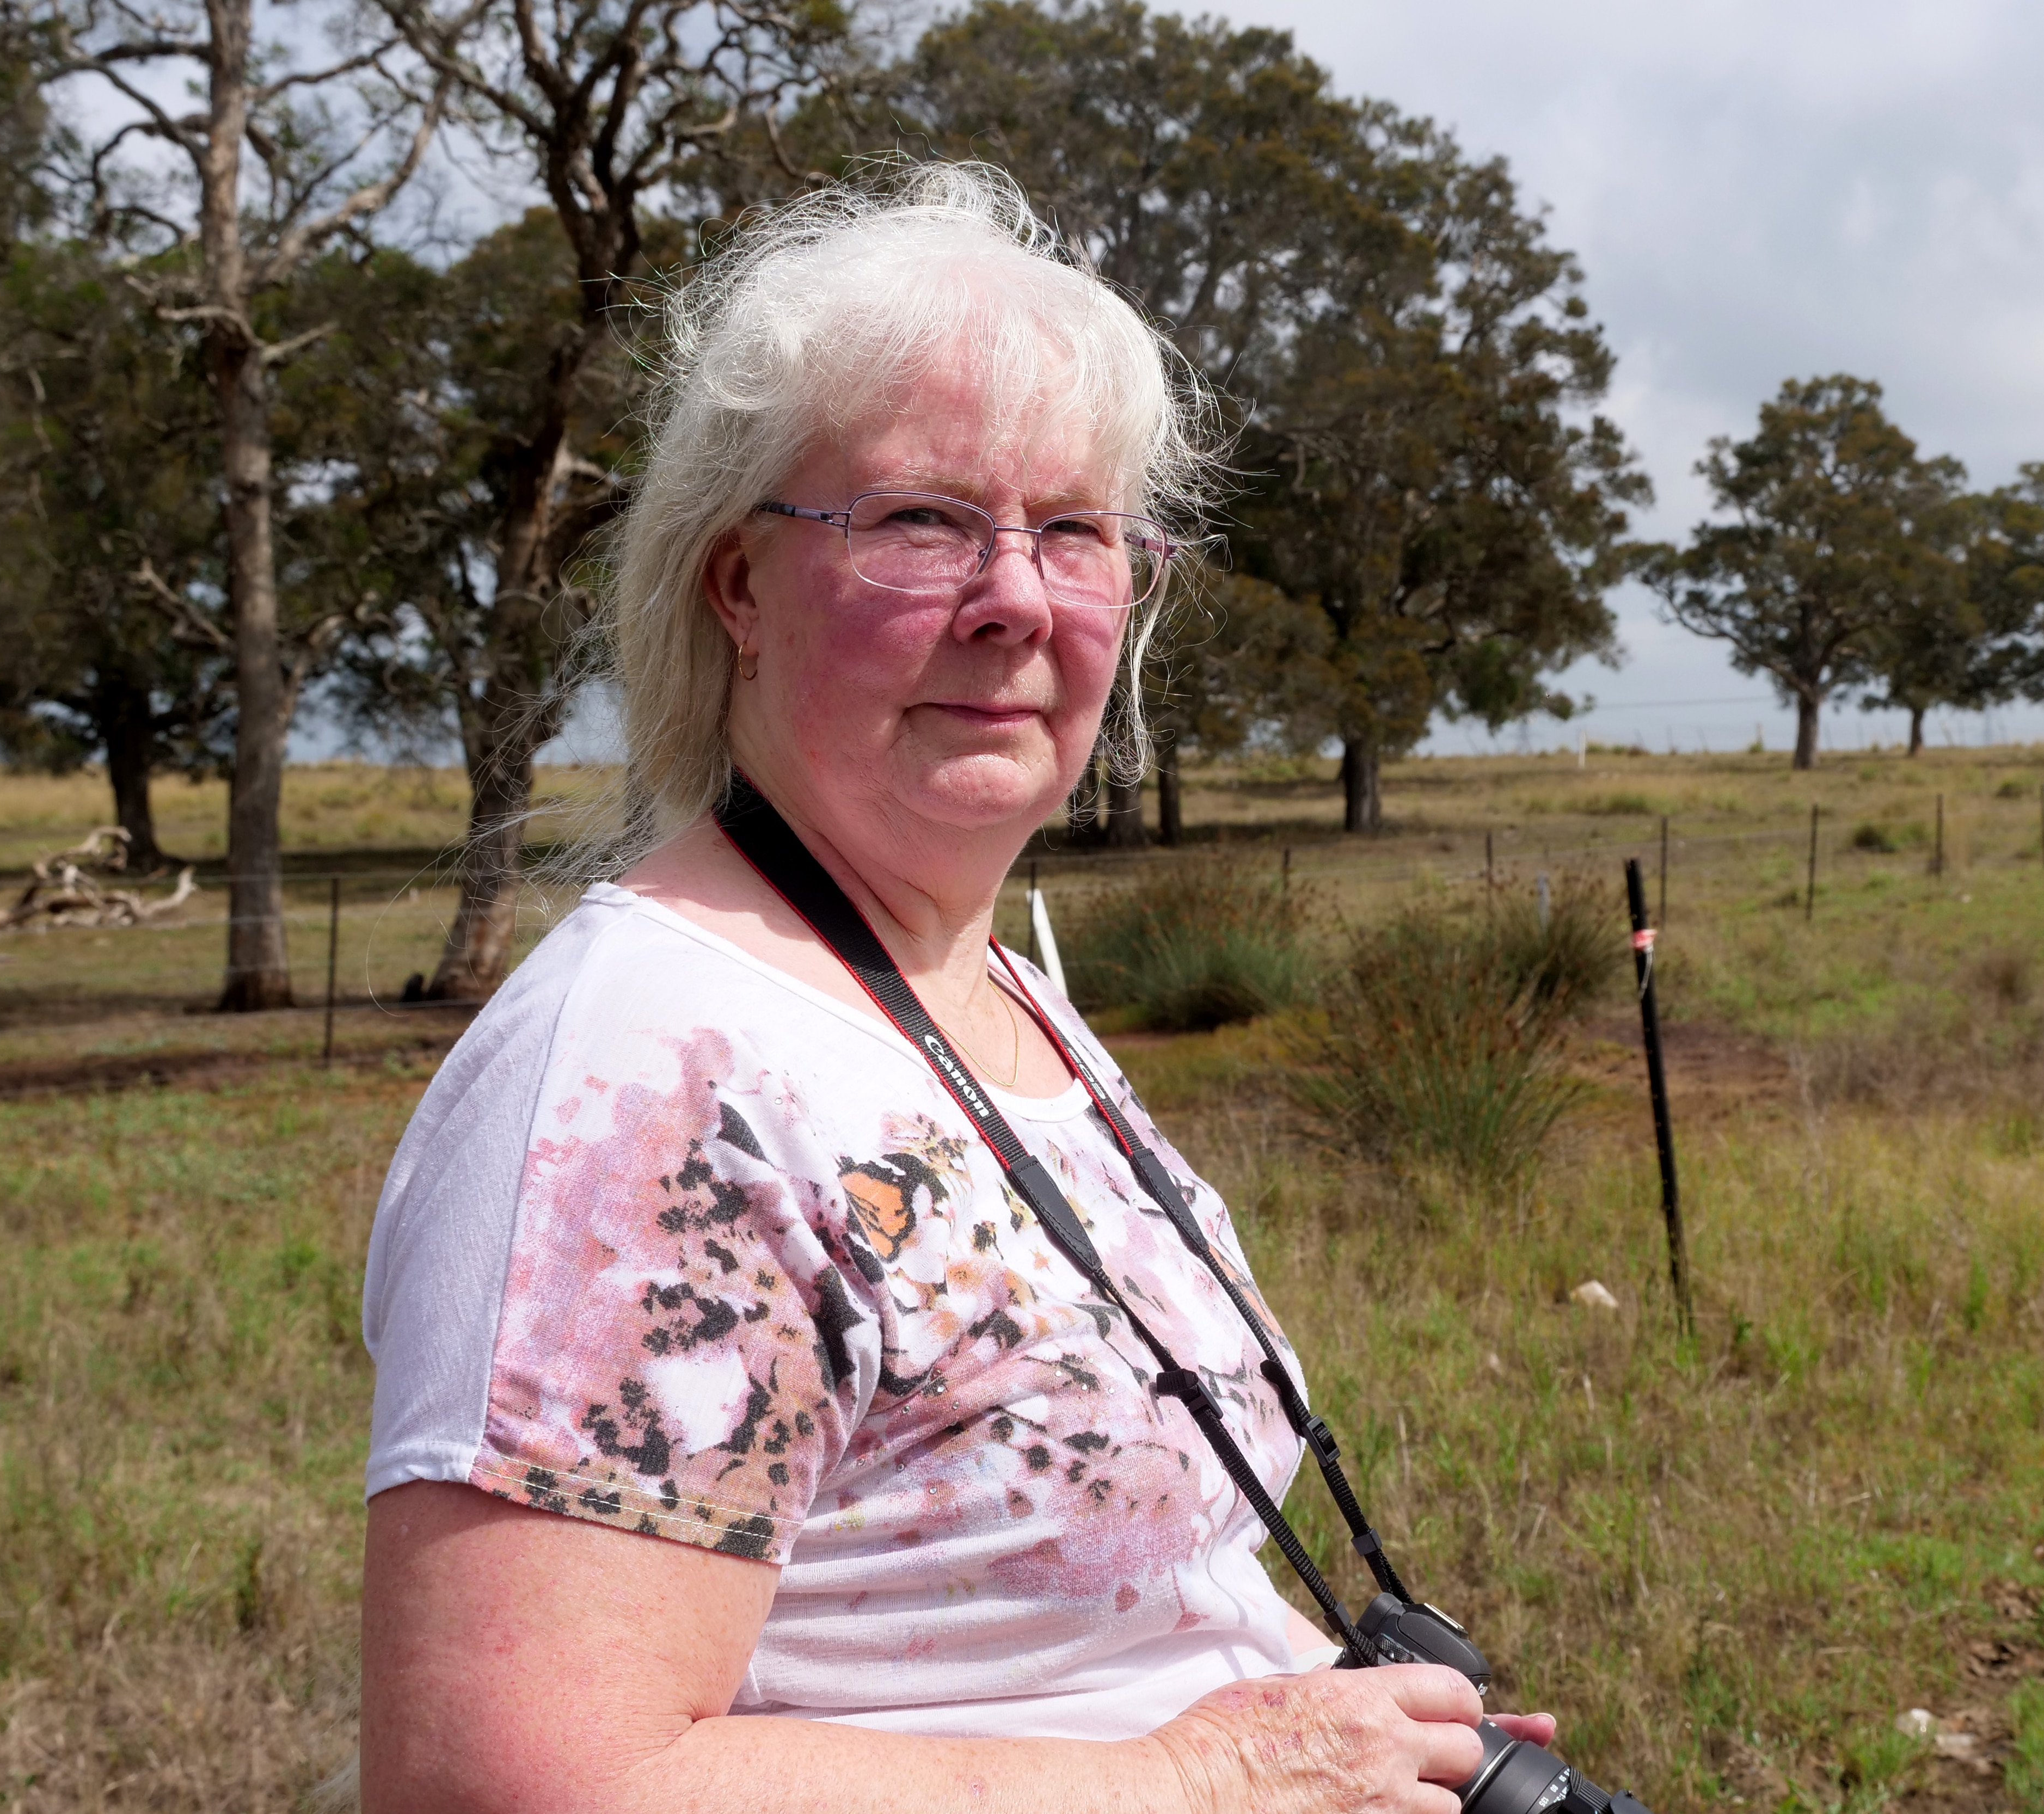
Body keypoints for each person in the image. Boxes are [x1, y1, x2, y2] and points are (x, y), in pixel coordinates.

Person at [354, 165, 1552, 1813]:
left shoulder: (963, 972)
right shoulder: (643, 1082)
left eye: (1074, 530)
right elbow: (512, 1790)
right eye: (921, 520)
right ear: (738, 588)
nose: (1016, 597)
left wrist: (1351, 1731)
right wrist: (1210, 1779)